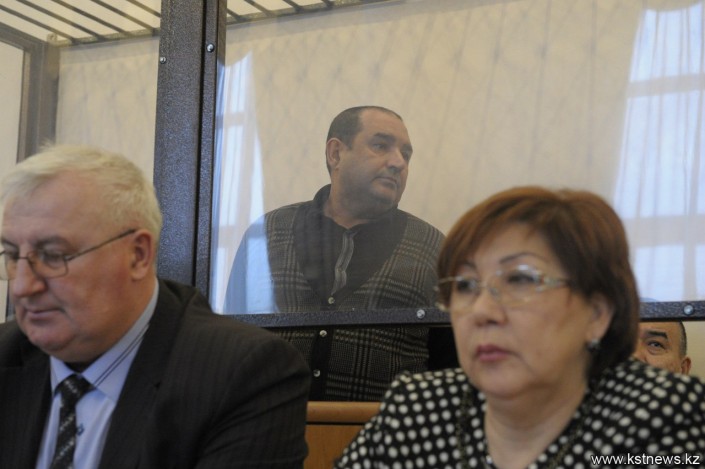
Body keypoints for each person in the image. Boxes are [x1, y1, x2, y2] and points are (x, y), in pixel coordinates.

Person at [336, 186, 705, 468]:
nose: (482, 311)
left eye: (520, 280)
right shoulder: (416, 407)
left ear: (596, 315)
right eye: (465, 285)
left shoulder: (663, 413)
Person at [0, 145, 310, 469]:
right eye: (12, 256)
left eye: (53, 256)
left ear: (138, 255)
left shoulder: (241, 375)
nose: (21, 287)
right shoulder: (6, 355)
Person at [224, 106, 454, 402]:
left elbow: (450, 369)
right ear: (335, 154)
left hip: (385, 430)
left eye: (406, 154)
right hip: (267, 425)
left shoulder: (434, 248)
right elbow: (230, 343)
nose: (398, 162)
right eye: (380, 146)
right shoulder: (267, 233)